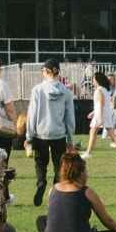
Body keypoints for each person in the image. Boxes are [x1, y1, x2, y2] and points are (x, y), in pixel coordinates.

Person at [35, 150, 116, 232]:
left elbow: (55, 217)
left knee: (41, 220)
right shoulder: (87, 192)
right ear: (80, 173)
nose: (87, 175)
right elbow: (107, 220)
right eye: (86, 171)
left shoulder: (52, 189)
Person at [25, 60, 76, 206]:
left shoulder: (38, 90)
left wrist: (29, 136)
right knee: (58, 164)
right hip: (58, 133)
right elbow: (70, 117)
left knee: (40, 162)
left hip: (41, 133)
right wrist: (70, 139)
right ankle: (55, 189)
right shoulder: (66, 92)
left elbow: (32, 114)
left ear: (47, 71)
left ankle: (41, 182)